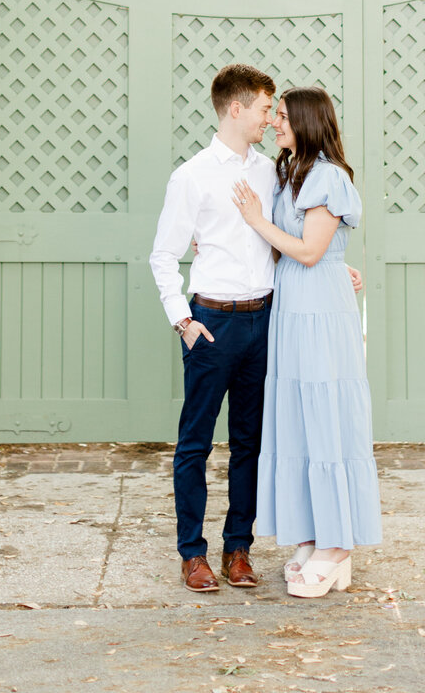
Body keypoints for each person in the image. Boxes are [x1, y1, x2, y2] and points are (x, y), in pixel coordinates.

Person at [232, 85, 382, 598]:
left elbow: (312, 252)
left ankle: (338, 546)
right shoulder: (288, 171)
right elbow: (305, 248)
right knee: (298, 417)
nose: (276, 123)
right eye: (274, 117)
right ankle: (315, 534)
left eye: (284, 118)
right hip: (294, 305)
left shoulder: (329, 177)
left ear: (307, 122)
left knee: (326, 417)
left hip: (320, 309)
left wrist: (258, 222)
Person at [149, 62, 278, 593]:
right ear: (236, 108)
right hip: (211, 323)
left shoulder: (271, 172)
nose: (271, 120)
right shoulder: (192, 175)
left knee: (250, 441)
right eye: (265, 109)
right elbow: (163, 255)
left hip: (262, 319)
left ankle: (239, 549)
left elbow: (284, 241)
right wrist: (182, 319)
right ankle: (192, 554)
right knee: (195, 443)